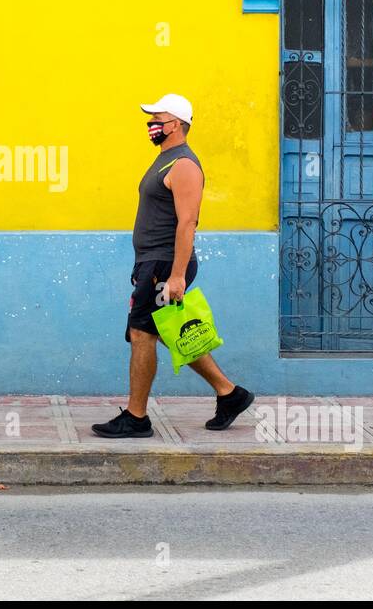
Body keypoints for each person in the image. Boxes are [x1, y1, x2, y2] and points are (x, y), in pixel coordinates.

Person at [92, 93, 254, 438]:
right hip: (153, 263)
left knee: (141, 333)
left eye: (157, 119)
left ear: (177, 124)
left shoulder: (184, 165)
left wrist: (176, 275)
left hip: (164, 265)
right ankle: (230, 393)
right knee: (166, 331)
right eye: (150, 119)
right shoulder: (165, 160)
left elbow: (187, 223)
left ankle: (137, 418)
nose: (151, 125)